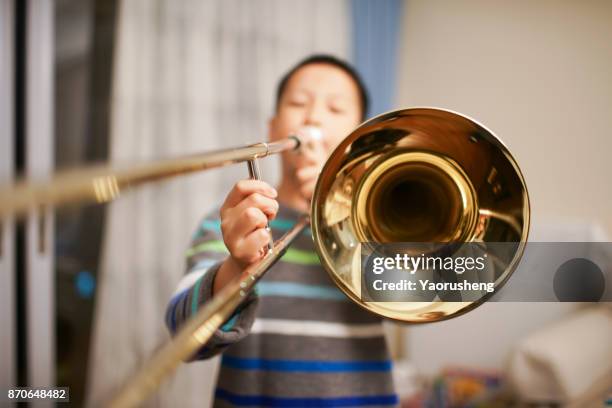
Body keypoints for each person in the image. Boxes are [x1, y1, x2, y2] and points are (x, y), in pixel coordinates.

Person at [166, 55, 399, 407]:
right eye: (298, 103)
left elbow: (414, 301)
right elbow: (185, 336)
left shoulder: (376, 224)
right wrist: (236, 266)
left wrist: (339, 212)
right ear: (274, 128)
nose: (313, 118)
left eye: (335, 109)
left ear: (358, 136)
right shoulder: (228, 221)